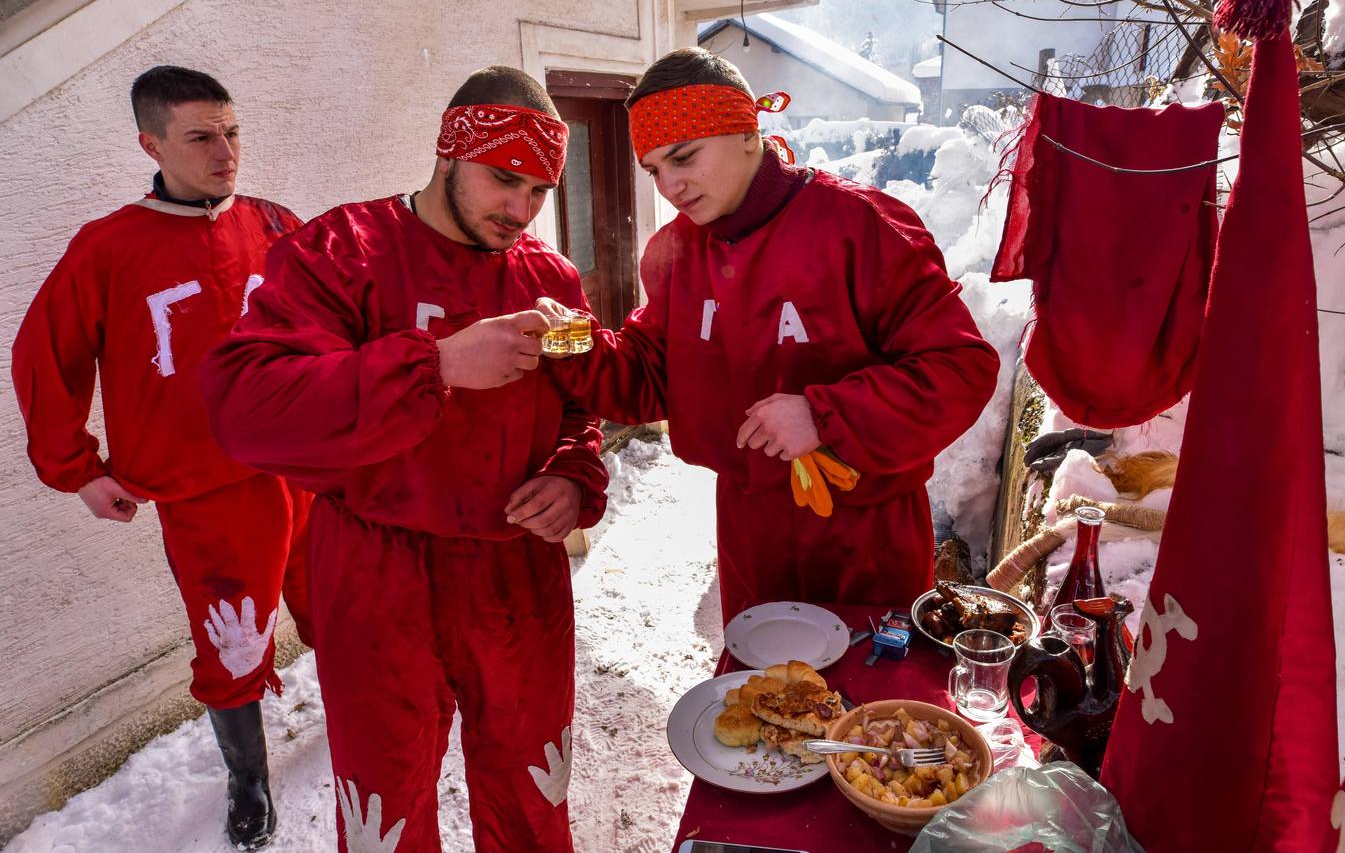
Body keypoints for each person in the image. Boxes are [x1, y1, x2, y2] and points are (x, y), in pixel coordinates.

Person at [199, 66, 608, 853]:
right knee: (383, 795)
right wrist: (434, 365)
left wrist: (572, 473)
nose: (520, 211)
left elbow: (578, 405)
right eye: (503, 180)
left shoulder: (549, 277)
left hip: (515, 570)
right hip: (376, 564)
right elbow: (247, 410)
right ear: (449, 152)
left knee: (532, 785)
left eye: (539, 193)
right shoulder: (338, 251)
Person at [542, 48, 1000, 623]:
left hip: (865, 531)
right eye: (655, 169)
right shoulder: (676, 254)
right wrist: (573, 344)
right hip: (748, 528)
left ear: (745, 131)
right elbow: (651, 377)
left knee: (869, 705)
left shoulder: (860, 227)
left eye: (684, 157)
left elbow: (960, 367)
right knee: (762, 696)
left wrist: (825, 415)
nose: (671, 186)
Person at [11, 65, 313, 850]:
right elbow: (47, 356)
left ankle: (367, 721)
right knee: (233, 636)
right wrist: (77, 469)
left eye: (233, 131)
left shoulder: (278, 224)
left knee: (345, 602)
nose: (226, 150)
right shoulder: (109, 247)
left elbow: (342, 322)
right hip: (207, 489)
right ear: (151, 143)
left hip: (307, 464)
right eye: (202, 136)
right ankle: (247, 778)